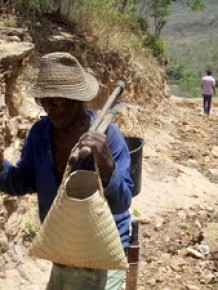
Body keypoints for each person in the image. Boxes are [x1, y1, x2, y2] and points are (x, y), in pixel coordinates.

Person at [0, 52, 133, 290]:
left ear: (76, 100)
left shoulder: (107, 137)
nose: (49, 108)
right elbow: (22, 182)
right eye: (43, 100)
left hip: (103, 253)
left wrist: (106, 165)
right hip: (64, 247)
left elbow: (122, 202)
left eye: (56, 101)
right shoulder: (40, 133)